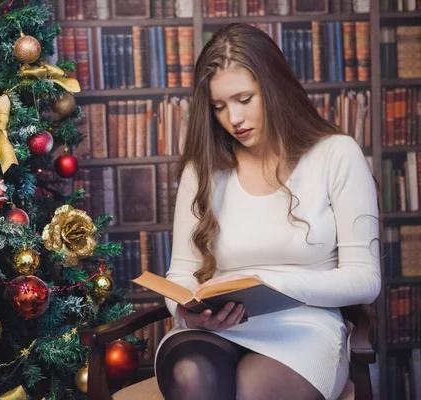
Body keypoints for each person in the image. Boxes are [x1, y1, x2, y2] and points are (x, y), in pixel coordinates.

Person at [155, 23, 381, 400]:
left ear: (274, 87)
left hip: (304, 329)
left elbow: (365, 279)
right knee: (192, 374)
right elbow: (180, 271)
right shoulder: (203, 169)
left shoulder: (336, 154)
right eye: (219, 106)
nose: (234, 119)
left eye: (245, 99)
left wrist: (274, 285)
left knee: (252, 390)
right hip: (217, 329)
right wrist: (185, 311)